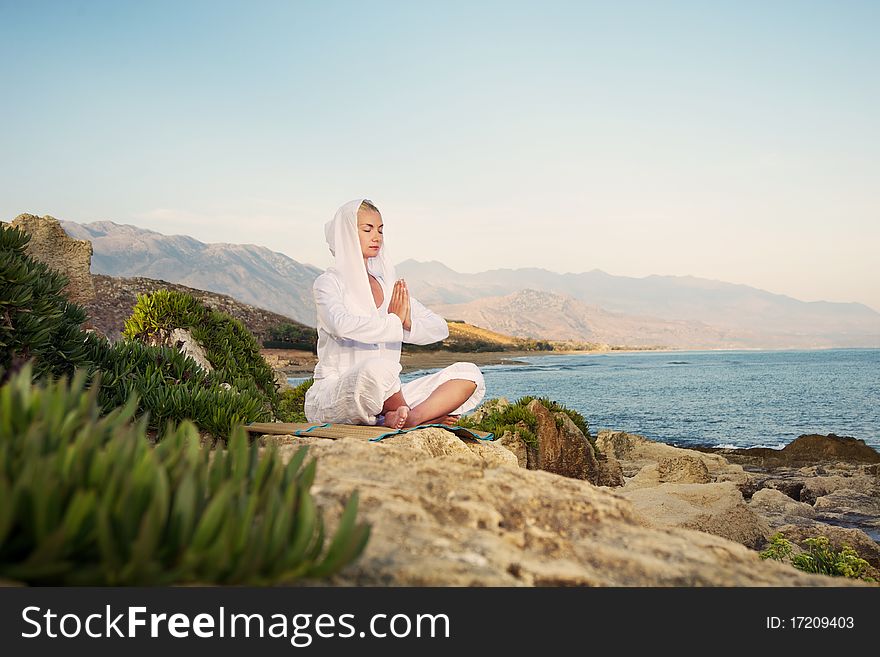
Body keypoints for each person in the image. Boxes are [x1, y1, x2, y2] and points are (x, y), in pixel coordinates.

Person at [304, 198, 486, 429]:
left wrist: (408, 321)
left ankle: (410, 418)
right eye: (367, 229)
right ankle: (409, 414)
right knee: (377, 368)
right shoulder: (329, 283)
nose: (377, 237)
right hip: (338, 393)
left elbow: (440, 328)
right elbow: (340, 324)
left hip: (389, 395)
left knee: (469, 374)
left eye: (380, 230)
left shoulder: (389, 286)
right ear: (347, 234)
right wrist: (393, 322)